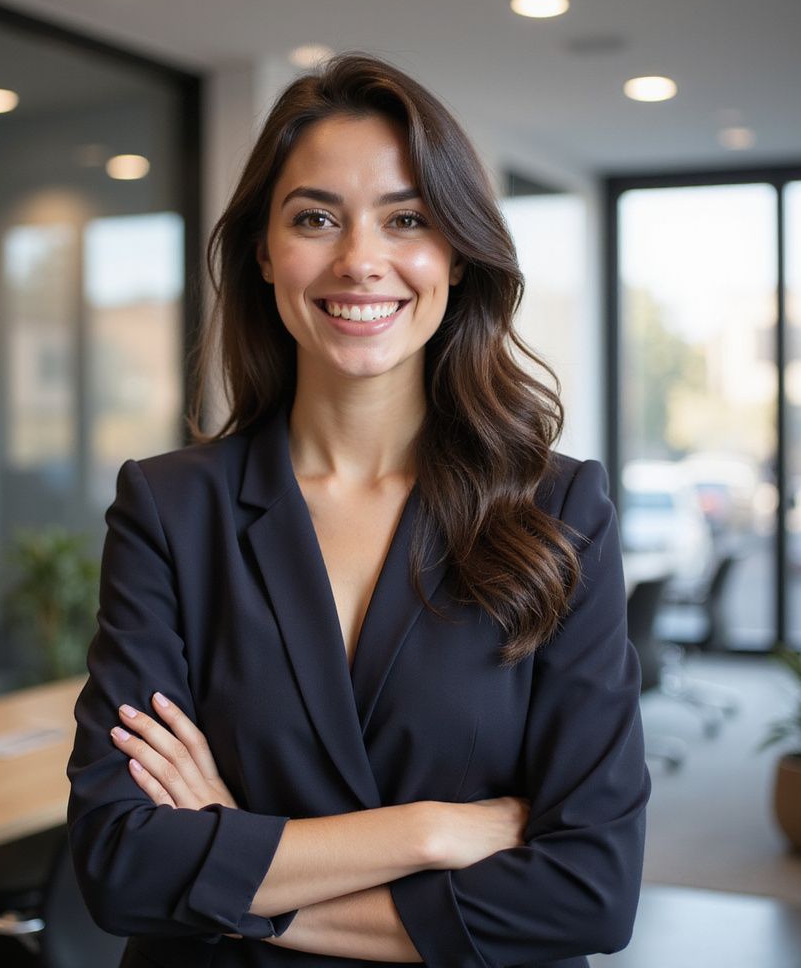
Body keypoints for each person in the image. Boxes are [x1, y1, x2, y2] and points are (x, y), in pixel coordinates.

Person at [67, 53, 650, 968]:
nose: (360, 260)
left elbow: (590, 895)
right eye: (314, 219)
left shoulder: (560, 507)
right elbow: (118, 861)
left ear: (455, 254)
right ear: (265, 252)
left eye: (406, 218)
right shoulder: (171, 507)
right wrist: (425, 833)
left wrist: (234, 874)